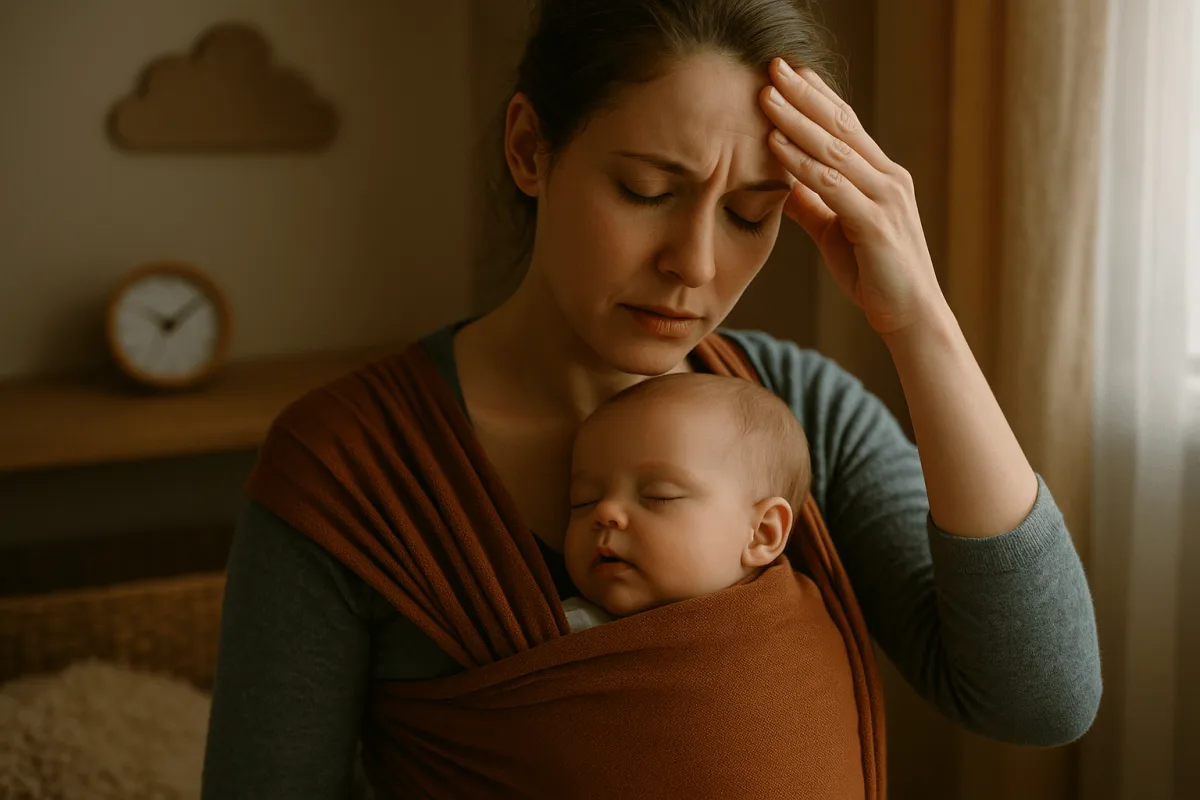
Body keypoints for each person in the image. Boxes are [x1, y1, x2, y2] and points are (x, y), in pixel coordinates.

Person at [201, 0, 1103, 797]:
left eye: (750, 213)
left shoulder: (796, 410)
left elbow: (1041, 700)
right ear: (529, 149)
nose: (695, 264)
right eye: (647, 190)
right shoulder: (349, 468)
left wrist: (923, 324)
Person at [559, 371, 811, 631]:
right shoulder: (565, 632)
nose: (604, 511)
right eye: (584, 501)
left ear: (761, 533)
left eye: (659, 496)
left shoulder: (799, 626)